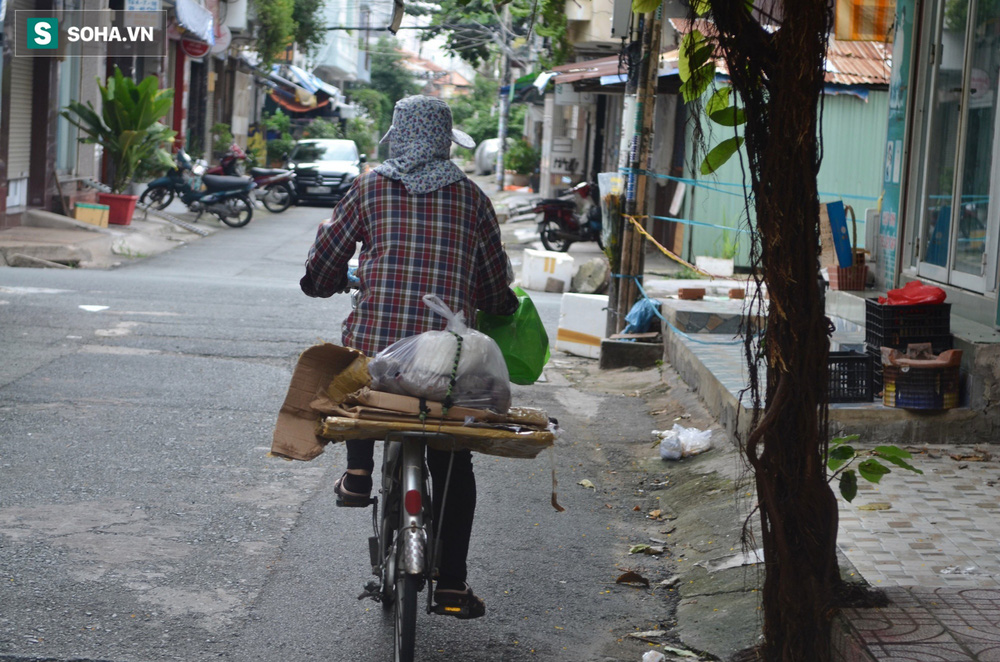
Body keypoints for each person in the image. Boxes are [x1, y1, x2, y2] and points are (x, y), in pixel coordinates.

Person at [300, 95, 518, 619]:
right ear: (445, 141)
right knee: (454, 462)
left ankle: (357, 476)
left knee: (358, 369)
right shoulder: (472, 199)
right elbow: (494, 288)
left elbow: (327, 260)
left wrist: (322, 282)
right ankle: (452, 585)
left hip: (379, 357)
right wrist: (502, 304)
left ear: (397, 135)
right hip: (447, 365)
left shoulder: (369, 186)